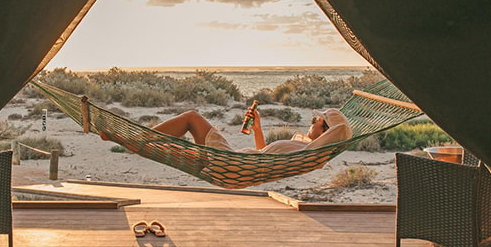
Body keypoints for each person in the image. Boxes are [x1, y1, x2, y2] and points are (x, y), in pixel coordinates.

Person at [141, 106, 351, 154]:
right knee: (192, 120)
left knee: (192, 117)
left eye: (317, 120)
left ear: (325, 131)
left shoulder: (305, 151)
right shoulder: (303, 148)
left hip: (230, 163)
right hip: (235, 163)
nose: (312, 121)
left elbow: (261, 161)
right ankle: (143, 142)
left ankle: (138, 140)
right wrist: (257, 128)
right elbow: (263, 155)